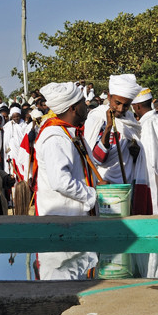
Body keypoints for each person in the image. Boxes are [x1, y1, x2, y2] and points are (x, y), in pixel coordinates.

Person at [33, 82, 98, 216]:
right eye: (82, 103)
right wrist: (92, 194)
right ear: (73, 108)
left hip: (75, 217)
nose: (86, 106)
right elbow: (61, 182)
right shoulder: (55, 138)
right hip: (64, 218)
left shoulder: (70, 132)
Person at [85, 74, 141, 189]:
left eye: (126, 105)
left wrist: (136, 152)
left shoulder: (130, 119)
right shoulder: (97, 118)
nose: (120, 109)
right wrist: (109, 127)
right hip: (104, 183)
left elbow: (136, 155)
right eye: (118, 103)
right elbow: (96, 159)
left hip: (126, 183)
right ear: (109, 97)